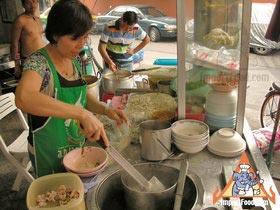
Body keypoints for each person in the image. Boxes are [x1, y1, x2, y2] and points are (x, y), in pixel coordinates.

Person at [15, 0, 128, 177]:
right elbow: (23, 98)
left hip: (75, 147)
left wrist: (106, 110)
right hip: (49, 152)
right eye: (75, 38)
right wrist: (81, 114)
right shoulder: (38, 63)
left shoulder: (72, 60)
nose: (81, 44)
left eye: (85, 37)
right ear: (55, 34)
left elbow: (80, 97)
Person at [11, 0, 45, 78]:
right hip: (29, 60)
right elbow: (14, 43)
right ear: (23, 4)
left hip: (42, 58)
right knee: (31, 85)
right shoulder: (20, 20)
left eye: (34, 1)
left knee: (44, 86)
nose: (32, 5)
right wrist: (17, 66)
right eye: (28, 2)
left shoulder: (38, 20)